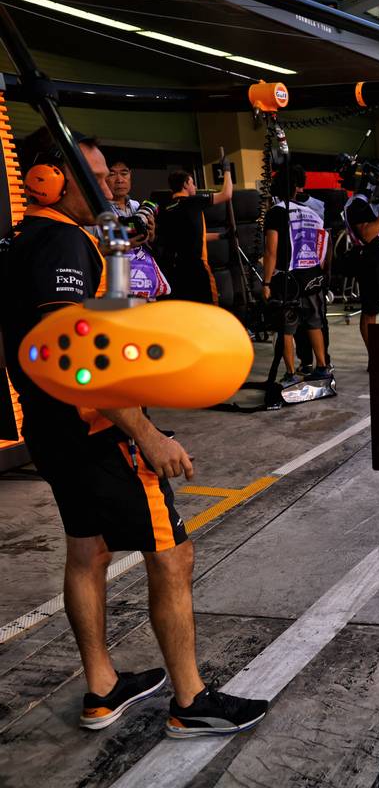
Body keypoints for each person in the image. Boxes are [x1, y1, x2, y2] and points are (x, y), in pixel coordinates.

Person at [0, 127, 267, 737]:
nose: (105, 188)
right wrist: (145, 433)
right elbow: (75, 357)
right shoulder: (63, 245)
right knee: (172, 557)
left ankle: (102, 687)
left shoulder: (30, 238)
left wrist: (116, 250)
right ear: (49, 177)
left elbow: (90, 324)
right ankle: (191, 700)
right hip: (99, 428)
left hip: (50, 426)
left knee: (86, 549)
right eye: (91, 176)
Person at [262, 165, 331, 385]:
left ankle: (291, 374)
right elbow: (323, 247)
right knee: (315, 324)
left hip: (287, 280)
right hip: (312, 277)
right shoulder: (312, 212)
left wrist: (266, 281)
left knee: (286, 328)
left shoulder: (276, 212)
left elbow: (271, 250)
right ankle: (322, 367)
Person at [156, 164, 232, 304]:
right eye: (192, 183)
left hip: (175, 270)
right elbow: (226, 194)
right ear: (185, 184)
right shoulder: (192, 201)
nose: (195, 187)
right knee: (210, 309)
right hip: (197, 267)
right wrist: (227, 170)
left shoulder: (165, 208)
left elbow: (192, 235)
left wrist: (221, 236)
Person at [105, 160, 170, 301]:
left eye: (124, 173)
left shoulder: (137, 206)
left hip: (145, 283)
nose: (119, 180)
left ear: (130, 175)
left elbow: (153, 246)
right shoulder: (98, 210)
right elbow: (91, 251)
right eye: (112, 174)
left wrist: (151, 236)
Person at [343, 173, 379, 346]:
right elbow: (368, 235)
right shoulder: (357, 204)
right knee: (370, 309)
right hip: (370, 260)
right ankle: (375, 356)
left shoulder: (377, 201)